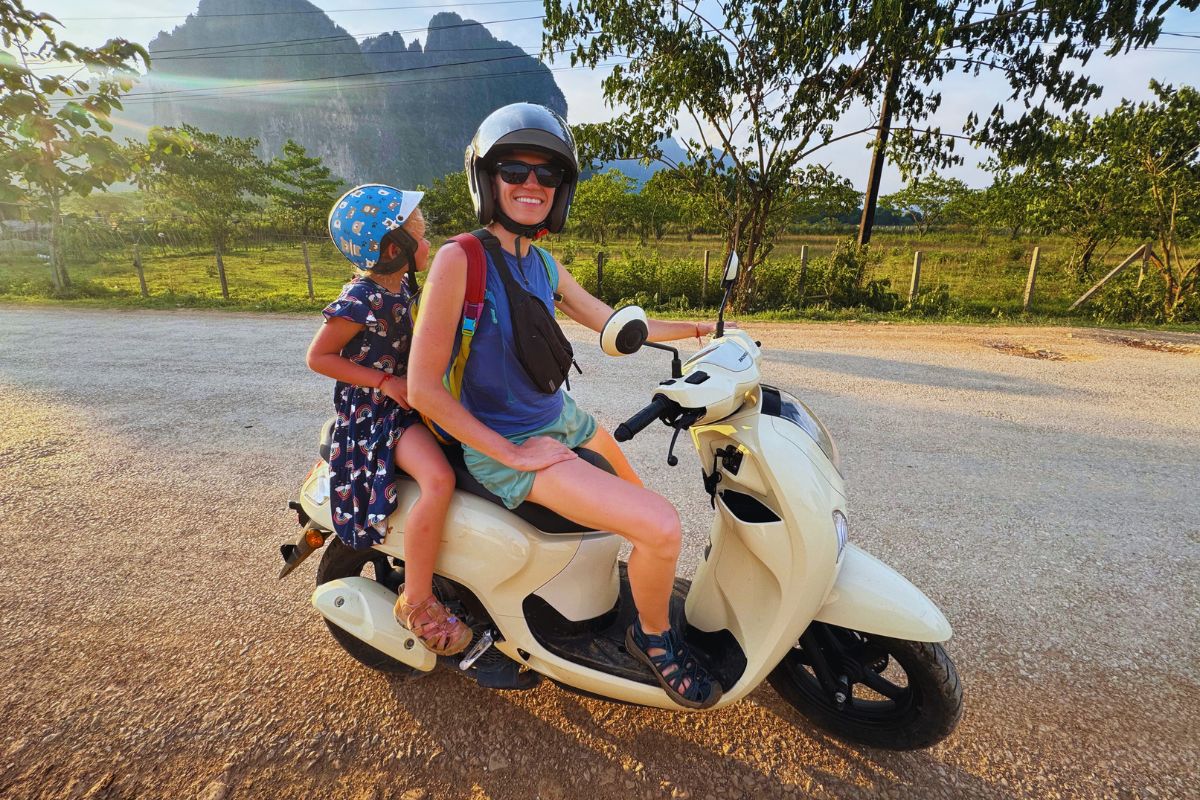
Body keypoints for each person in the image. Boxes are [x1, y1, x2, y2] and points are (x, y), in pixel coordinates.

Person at [407, 104, 723, 708]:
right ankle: (650, 638)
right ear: (487, 180)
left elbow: (612, 322)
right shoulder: (459, 259)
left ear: (561, 188)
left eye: (547, 174)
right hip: (508, 444)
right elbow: (423, 388)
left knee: (648, 516)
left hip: (563, 419)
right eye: (514, 170)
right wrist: (510, 454)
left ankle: (624, 596)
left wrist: (699, 331)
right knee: (661, 527)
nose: (532, 184)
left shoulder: (543, 264)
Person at [306, 184, 471, 657]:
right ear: (395, 248)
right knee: (438, 480)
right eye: (421, 234)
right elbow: (318, 357)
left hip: (414, 399)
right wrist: (382, 381)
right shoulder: (361, 298)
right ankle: (416, 601)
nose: (428, 241)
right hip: (378, 414)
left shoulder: (407, 287)